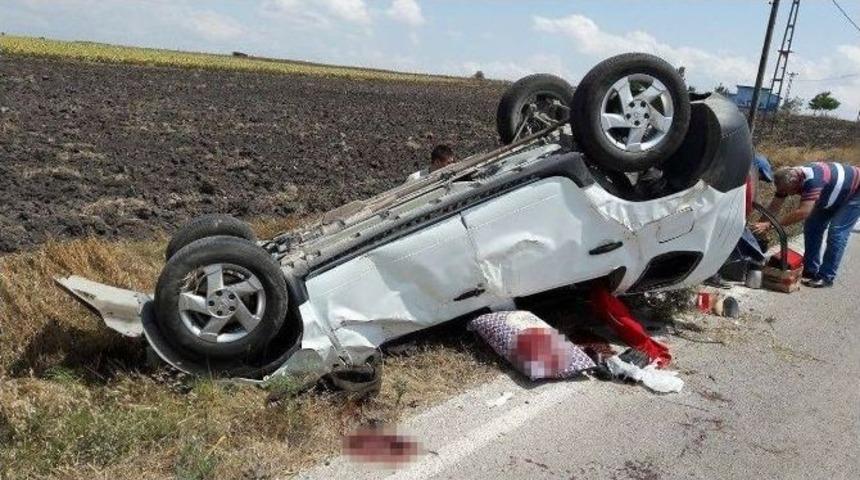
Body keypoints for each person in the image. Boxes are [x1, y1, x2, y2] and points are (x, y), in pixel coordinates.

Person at [750, 161, 860, 288]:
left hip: (855, 192)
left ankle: (826, 276)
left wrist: (770, 225)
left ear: (797, 182)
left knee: (836, 233)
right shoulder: (787, 179)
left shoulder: (813, 181)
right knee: (812, 226)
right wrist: (759, 228)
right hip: (833, 192)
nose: (791, 195)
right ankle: (810, 270)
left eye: (791, 191)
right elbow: (774, 207)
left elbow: (803, 212)